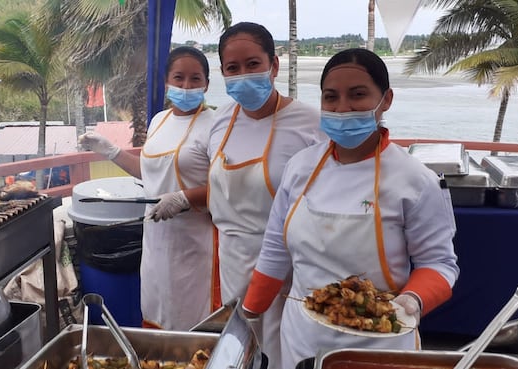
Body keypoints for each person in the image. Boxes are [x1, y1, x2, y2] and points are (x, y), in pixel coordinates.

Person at [241, 48, 460, 369]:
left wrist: (412, 301)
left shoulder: (415, 180)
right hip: (302, 338)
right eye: (331, 97)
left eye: (358, 95)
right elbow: (275, 250)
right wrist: (247, 315)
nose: (342, 108)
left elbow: (440, 264)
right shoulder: (300, 167)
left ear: (386, 100)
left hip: (379, 342)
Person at [206, 22, 325, 369]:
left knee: (281, 352)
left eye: (253, 64)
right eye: (233, 68)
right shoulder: (220, 120)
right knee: (239, 352)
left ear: (274, 65)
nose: (243, 75)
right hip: (231, 257)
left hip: (287, 266)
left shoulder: (309, 123)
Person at [78, 46, 218, 331]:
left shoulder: (215, 125)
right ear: (167, 81)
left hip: (195, 245)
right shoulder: (159, 120)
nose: (187, 86)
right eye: (179, 78)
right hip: (156, 243)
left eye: (195, 79)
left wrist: (183, 198)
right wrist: (110, 151)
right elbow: (150, 174)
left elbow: (229, 188)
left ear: (206, 84)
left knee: (194, 328)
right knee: (157, 317)